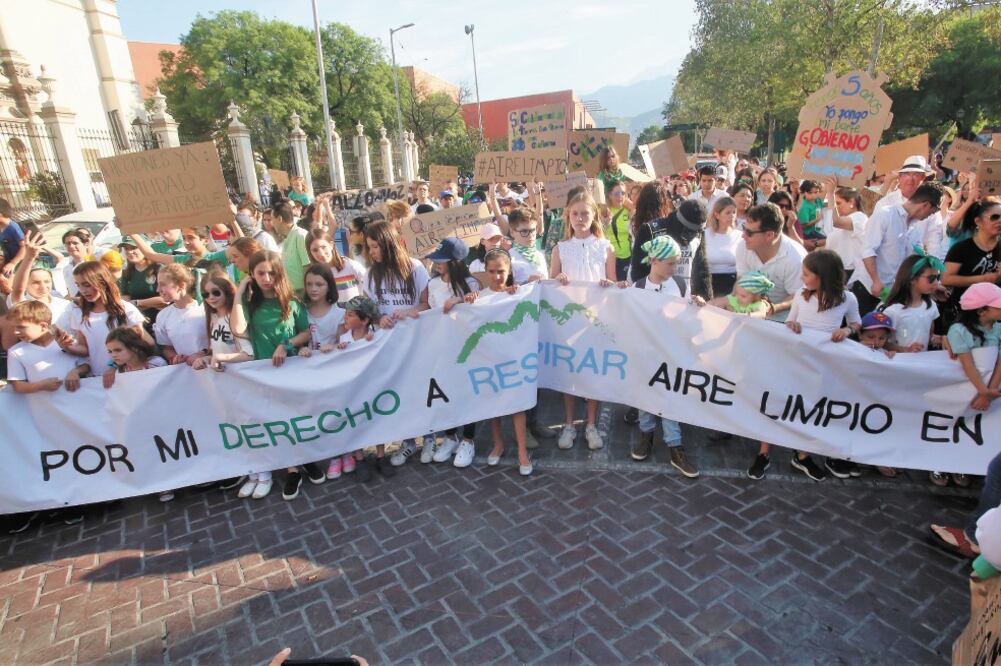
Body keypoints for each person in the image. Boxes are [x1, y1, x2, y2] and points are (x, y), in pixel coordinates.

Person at [232, 251, 322, 500]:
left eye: (271, 273)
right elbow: (238, 329)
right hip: (264, 374)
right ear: (252, 275)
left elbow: (305, 333)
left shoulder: (291, 302)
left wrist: (286, 344)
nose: (266, 278)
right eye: (260, 273)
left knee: (298, 417)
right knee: (277, 420)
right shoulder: (251, 305)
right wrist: (240, 292)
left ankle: (307, 458)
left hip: (291, 370)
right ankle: (293, 468)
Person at [778, 250, 861, 481]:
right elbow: (789, 321)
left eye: (806, 274)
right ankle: (802, 455)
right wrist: (793, 325)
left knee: (823, 407)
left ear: (823, 276)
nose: (802, 278)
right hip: (802, 361)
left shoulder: (848, 299)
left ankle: (826, 452)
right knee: (803, 406)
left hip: (829, 364)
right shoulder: (801, 296)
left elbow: (856, 323)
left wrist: (846, 330)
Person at [551, 190, 624, 451]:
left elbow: (613, 280)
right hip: (568, 321)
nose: (580, 218)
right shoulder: (560, 249)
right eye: (575, 213)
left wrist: (608, 284)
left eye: (585, 213)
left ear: (594, 216)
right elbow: (551, 282)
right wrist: (557, 279)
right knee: (569, 372)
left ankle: (591, 424)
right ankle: (570, 423)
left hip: (596, 319)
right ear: (567, 216)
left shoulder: (605, 247)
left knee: (592, 371)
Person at [362, 220, 430, 474]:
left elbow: (427, 304)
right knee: (398, 392)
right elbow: (369, 310)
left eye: (375, 247)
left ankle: (429, 437)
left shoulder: (415, 268)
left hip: (415, 342)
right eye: (369, 248)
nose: (372, 253)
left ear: (388, 245)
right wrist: (379, 318)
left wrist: (410, 311)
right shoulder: (371, 275)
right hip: (387, 345)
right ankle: (408, 441)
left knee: (418, 389)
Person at [629, 235, 699, 478]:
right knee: (646, 397)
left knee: (670, 398)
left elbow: (687, 315)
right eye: (670, 263)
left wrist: (696, 305)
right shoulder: (637, 287)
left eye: (676, 264)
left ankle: (674, 444)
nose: (675, 268)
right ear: (654, 260)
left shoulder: (679, 285)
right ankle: (646, 434)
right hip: (646, 355)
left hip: (671, 353)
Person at [462, 248, 533, 475]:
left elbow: (539, 283)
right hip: (489, 360)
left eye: (501, 271)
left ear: (509, 269)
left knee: (518, 405)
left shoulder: (517, 293)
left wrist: (519, 291)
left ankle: (522, 451)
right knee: (493, 405)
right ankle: (498, 444)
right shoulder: (479, 297)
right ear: (485, 271)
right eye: (492, 272)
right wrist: (463, 301)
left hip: (514, 360)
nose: (497, 277)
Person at [415, 237, 480, 468]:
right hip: (441, 348)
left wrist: (462, 300)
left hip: (465, 348)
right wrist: (410, 313)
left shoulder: (470, 283)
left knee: (467, 392)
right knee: (448, 391)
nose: (437, 265)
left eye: (442, 261)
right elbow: (428, 309)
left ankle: (468, 440)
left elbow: (477, 308)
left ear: (455, 262)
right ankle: (450, 436)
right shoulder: (432, 285)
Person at [102, 328, 172, 501]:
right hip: (141, 421)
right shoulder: (121, 372)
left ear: (133, 347)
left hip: (162, 416)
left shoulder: (156, 363)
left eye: (118, 350)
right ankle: (162, 484)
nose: (113, 355)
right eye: (110, 352)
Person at [856, 183, 943, 317]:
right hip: (869, 289)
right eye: (932, 212)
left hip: (891, 294)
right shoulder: (885, 215)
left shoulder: (915, 228)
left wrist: (933, 284)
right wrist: (876, 281)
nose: (930, 216)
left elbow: (917, 256)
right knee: (863, 335)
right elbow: (868, 250)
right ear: (925, 205)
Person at [63, 261, 149, 389]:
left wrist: (114, 366)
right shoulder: (78, 313)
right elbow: (85, 349)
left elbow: (141, 345)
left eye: (87, 285)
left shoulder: (125, 308)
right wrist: (67, 346)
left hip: (127, 377)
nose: (82, 291)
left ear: (102, 282)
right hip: (97, 380)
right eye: (78, 285)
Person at [735, 203, 807, 320]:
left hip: (786, 323)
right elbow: (742, 281)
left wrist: (771, 309)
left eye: (749, 233)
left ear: (769, 235)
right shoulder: (743, 246)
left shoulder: (795, 258)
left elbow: (799, 296)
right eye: (744, 228)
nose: (743, 235)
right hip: (750, 316)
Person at [631, 199, 712, 300]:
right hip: (652, 297)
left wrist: (706, 300)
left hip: (684, 296)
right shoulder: (651, 231)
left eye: (694, 233)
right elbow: (638, 270)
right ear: (680, 223)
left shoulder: (698, 234)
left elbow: (702, 270)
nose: (690, 237)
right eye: (688, 232)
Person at [942, 200, 1001, 326]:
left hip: (996, 318)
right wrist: (983, 279)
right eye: (995, 217)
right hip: (965, 316)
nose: (999, 221)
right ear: (978, 221)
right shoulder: (962, 248)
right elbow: (945, 278)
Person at [946, 282, 1001, 413]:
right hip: (965, 390)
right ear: (981, 311)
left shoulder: (998, 329)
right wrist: (984, 392)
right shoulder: (958, 331)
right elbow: (968, 364)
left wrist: (989, 393)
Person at [8, 231, 74, 330]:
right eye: (36, 282)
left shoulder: (64, 304)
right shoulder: (23, 303)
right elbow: (18, 291)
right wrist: (29, 257)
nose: (43, 287)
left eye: (47, 281)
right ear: (25, 283)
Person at [190, 271, 253, 372]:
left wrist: (222, 357)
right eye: (206, 294)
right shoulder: (212, 318)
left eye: (216, 292)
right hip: (222, 381)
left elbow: (250, 355)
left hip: (242, 378)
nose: (211, 297)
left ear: (226, 291)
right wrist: (205, 359)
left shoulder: (236, 318)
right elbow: (217, 355)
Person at [153, 264, 208, 366]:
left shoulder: (205, 310)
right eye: (158, 284)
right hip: (186, 373)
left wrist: (204, 353)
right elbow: (167, 347)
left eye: (163, 284)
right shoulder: (162, 316)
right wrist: (176, 358)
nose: (158, 290)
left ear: (181, 285)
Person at [821, 181, 867, 286]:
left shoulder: (860, 218)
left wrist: (831, 194)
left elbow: (837, 222)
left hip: (848, 271)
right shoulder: (840, 217)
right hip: (833, 267)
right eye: (835, 203)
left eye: (838, 203)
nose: (835, 207)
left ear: (851, 202)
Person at [306, 229, 367, 302]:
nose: (321, 254)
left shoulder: (351, 267)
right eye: (315, 250)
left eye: (323, 247)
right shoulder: (313, 276)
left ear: (331, 245)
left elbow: (370, 291)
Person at [117, 238, 164, 324]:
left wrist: (138, 303)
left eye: (134, 248)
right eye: (127, 249)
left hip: (160, 319)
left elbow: (165, 300)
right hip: (137, 319)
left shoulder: (159, 269)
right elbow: (125, 300)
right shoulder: (126, 272)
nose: (129, 252)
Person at [270, 202, 311, 295]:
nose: (272, 224)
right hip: (292, 292)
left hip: (303, 292)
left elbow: (308, 266)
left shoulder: (300, 235)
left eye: (272, 219)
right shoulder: (287, 237)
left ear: (279, 219)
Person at [705, 196, 742, 296]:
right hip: (708, 283)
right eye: (728, 213)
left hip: (732, 284)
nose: (732, 216)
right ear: (717, 215)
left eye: (734, 212)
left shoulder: (740, 236)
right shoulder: (705, 235)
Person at [603, 181, 632, 280]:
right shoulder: (604, 211)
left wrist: (632, 207)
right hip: (609, 257)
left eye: (623, 193)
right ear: (609, 195)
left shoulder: (629, 210)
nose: (620, 196)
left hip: (627, 256)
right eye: (616, 193)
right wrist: (605, 224)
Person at [0, 198, 25, 278]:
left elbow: (24, 248)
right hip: (7, 262)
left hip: (19, 264)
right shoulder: (1, 227)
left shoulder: (13, 227)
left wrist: (13, 263)